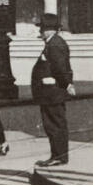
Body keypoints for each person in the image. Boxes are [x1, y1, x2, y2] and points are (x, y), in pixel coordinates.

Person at [32, 13, 74, 166]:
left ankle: (59, 156)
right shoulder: (52, 43)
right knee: (52, 124)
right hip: (50, 92)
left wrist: (67, 83)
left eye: (42, 28)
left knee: (55, 125)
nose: (40, 31)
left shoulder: (55, 44)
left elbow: (61, 68)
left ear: (50, 29)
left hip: (53, 92)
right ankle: (57, 155)